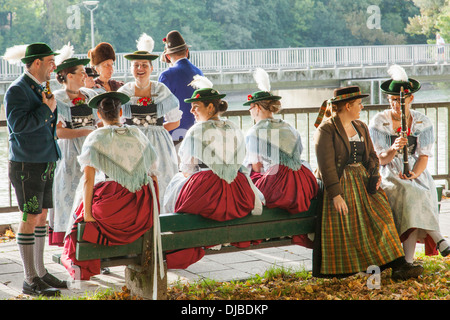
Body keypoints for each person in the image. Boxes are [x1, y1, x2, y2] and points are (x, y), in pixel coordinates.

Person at [313, 85, 423, 280]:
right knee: (353, 224)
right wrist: (336, 195)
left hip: (364, 181)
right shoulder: (326, 130)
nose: (361, 107)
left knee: (382, 216)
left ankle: (397, 264)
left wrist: (374, 174)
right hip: (340, 183)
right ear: (347, 106)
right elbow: (326, 166)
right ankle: (388, 267)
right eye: (358, 104)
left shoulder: (360, 126)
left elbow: (371, 156)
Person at [163, 76, 264, 269]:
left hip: (206, 192)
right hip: (236, 188)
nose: (191, 110)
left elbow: (187, 168)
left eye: (196, 106)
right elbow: (240, 161)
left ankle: (174, 243)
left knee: (175, 185)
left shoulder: (196, 130)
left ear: (210, 108)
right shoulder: (234, 127)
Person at [61, 92, 161, 281]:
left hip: (111, 210)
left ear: (98, 115)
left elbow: (88, 181)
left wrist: (88, 214)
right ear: (121, 112)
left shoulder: (96, 137)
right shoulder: (137, 134)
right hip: (139, 210)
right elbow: (153, 173)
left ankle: (93, 258)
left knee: (80, 215)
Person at [369, 65, 450, 264]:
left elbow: (423, 157)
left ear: (410, 99)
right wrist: (395, 147)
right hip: (389, 171)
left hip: (415, 170)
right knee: (412, 194)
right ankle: (438, 238)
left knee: (417, 192)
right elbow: (380, 159)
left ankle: (408, 260)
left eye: (401, 100)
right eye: (393, 100)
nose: (397, 104)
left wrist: (414, 173)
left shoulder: (422, 121)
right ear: (389, 100)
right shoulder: (379, 121)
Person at [3, 42, 66, 296]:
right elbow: (17, 126)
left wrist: (47, 109)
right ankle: (29, 279)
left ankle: (40, 272)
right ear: (37, 62)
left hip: (44, 159)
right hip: (27, 164)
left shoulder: (39, 86)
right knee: (29, 218)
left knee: (41, 216)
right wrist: (46, 109)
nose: (54, 66)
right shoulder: (17, 90)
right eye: (51, 61)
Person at [243, 68, 319, 248]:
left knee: (247, 183)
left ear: (258, 108)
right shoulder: (289, 127)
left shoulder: (255, 132)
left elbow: (255, 167)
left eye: (251, 108)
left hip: (278, 184)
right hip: (302, 181)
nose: (250, 112)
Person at [118, 33, 181, 205]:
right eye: (136, 65)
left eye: (144, 65)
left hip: (158, 146)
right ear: (131, 69)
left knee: (161, 183)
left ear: (151, 68)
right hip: (131, 144)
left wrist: (156, 131)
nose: (140, 68)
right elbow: (115, 120)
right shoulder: (124, 92)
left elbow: (175, 121)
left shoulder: (161, 90)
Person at [47, 49, 99, 246]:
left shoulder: (90, 94)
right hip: (69, 153)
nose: (86, 75)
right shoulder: (58, 98)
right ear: (69, 76)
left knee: (93, 194)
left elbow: (99, 121)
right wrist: (85, 132)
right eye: (81, 72)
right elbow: (58, 132)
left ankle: (93, 241)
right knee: (68, 193)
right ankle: (71, 242)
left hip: (92, 151)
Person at [158, 30, 204, 145]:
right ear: (187, 51)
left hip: (174, 136)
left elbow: (160, 107)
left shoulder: (166, 75)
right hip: (196, 134)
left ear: (167, 56)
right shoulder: (199, 72)